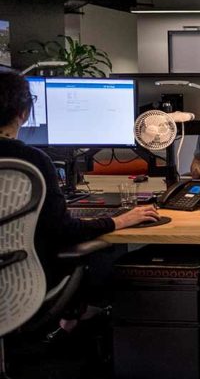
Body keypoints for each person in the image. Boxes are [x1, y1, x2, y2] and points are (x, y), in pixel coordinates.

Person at [0, 72, 159, 291]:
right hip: (24, 285)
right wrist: (119, 221)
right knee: (107, 253)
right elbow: (64, 230)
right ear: (24, 113)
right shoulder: (33, 161)